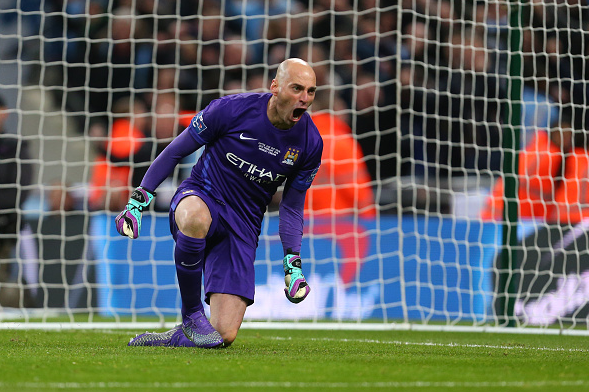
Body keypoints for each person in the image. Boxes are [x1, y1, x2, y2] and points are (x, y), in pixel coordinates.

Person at [116, 58, 323, 348]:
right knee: (194, 218)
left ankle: (177, 337)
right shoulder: (231, 110)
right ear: (275, 87)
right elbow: (175, 151)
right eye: (297, 88)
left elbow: (291, 206)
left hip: (244, 224)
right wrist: (139, 199)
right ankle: (191, 315)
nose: (305, 98)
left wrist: (293, 262)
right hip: (203, 196)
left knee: (223, 335)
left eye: (311, 91)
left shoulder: (310, 142)